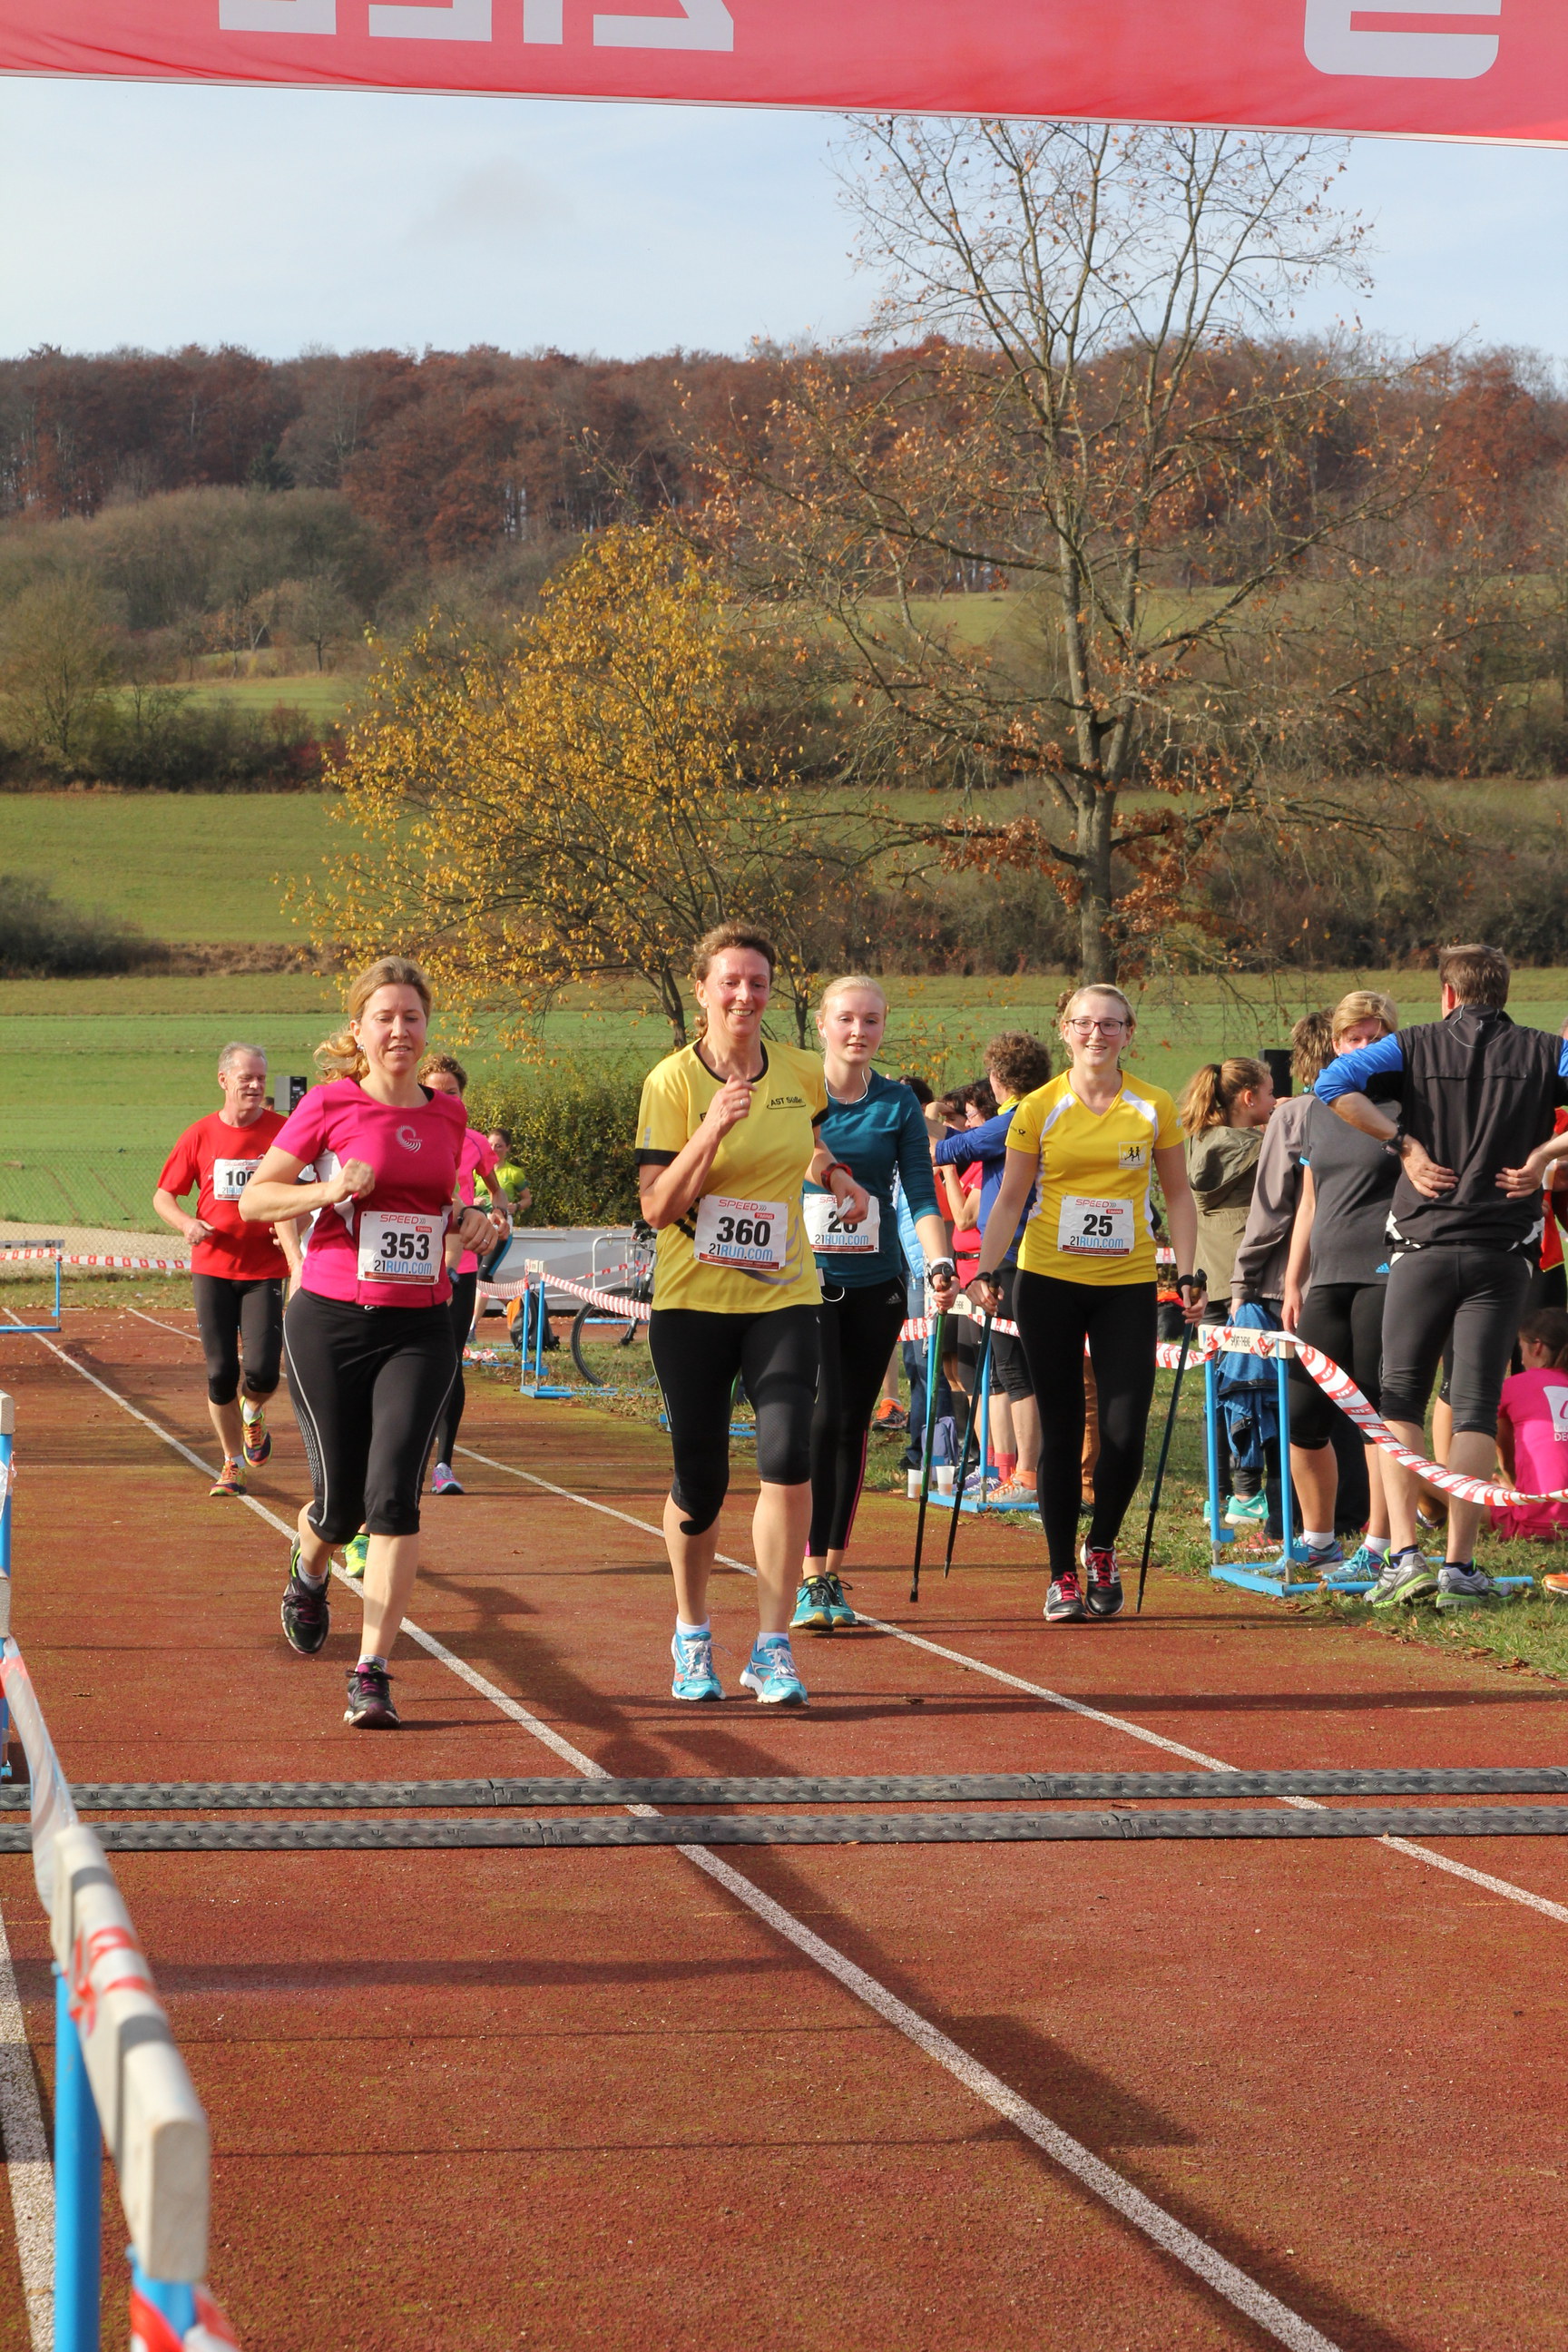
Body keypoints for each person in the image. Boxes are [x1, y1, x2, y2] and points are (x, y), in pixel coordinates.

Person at [238, 957, 501, 1728]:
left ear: (426, 1028)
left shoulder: (449, 1116)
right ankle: (310, 1565)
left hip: (420, 1323)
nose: (399, 1030)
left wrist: (472, 1223)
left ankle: (372, 1671)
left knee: (394, 1497)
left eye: (411, 1017)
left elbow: (445, 1207)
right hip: (330, 1320)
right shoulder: (329, 1104)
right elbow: (257, 1198)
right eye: (384, 1017)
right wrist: (328, 1189)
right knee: (340, 1507)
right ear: (359, 1030)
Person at [635, 925, 870, 1706]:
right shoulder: (671, 1082)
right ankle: (691, 1632)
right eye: (730, 982)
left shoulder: (800, 1071)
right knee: (701, 1481)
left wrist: (834, 1175)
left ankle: (773, 1647)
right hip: (693, 1302)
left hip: (783, 1296)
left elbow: (807, 1142)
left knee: (787, 1456)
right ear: (702, 989)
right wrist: (713, 1126)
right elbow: (657, 1206)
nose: (745, 995)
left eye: (758, 982)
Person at [1318, 942, 1568, 1609]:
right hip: (1502, 1249)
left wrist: (1402, 1144)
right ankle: (1461, 1566)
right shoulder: (1547, 1050)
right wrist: (1544, 1154)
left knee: (1399, 1399)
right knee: (1476, 1405)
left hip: (1422, 1241)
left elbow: (1331, 1084)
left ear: (1448, 994)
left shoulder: (1413, 1045)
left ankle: (1405, 1556)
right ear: (1505, 993)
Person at [975, 983, 1207, 1622]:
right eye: (1083, 1023)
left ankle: (1101, 1544)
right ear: (1065, 1031)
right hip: (1048, 1280)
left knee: (1124, 1433)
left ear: (1129, 1032)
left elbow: (1178, 1195)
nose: (1096, 1034)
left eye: (1109, 1024)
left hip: (1125, 1284)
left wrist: (1189, 1272)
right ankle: (1060, 1574)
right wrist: (986, 1268)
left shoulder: (1153, 1105)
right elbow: (1011, 1195)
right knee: (1060, 1428)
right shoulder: (1039, 1107)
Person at [795, 979, 957, 1630]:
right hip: (803, 1283)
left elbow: (920, 1191)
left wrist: (940, 1262)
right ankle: (809, 1571)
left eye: (870, 1020)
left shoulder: (896, 1104)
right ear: (822, 1025)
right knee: (823, 1414)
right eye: (845, 1019)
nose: (858, 1031)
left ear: (883, 1026)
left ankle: (829, 1571)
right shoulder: (795, 1090)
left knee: (852, 1422)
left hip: (877, 1283)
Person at [1280, 991, 1401, 1579]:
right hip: (1325, 1275)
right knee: (1303, 1413)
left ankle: (1379, 1547)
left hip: (1386, 1270)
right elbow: (1309, 1202)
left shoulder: (1409, 1106)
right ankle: (1319, 1539)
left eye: (1375, 1037)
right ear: (1336, 1044)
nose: (1364, 1046)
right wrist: (1292, 1281)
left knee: (1378, 1415)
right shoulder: (1317, 1108)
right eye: (1354, 1037)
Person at [153, 1043, 303, 1499]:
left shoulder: (283, 1132)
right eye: (246, 1078)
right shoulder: (200, 1134)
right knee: (220, 1373)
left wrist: (295, 1229)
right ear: (224, 1081)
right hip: (214, 1268)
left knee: (262, 1373)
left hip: (265, 1270)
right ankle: (232, 1462)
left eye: (261, 1078)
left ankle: (252, 1412)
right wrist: (186, 1223)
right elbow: (163, 1196)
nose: (255, 1086)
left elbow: (309, 1190)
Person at [1229, 1010, 1358, 1534]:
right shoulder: (1381, 1109)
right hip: (1365, 1275)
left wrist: (1243, 1279)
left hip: (1296, 1285)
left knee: (1298, 1405)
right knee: (1354, 1399)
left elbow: (1272, 1208)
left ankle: (1290, 1522)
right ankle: (1353, 1516)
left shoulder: (1297, 1114)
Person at [932, 1032, 1056, 1506]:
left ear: (998, 1077)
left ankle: (1028, 1475)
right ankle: (1010, 1471)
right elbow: (962, 1142)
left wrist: (915, 1119)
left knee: (1016, 1368)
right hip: (1008, 1250)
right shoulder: (1021, 1115)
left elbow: (954, 1149)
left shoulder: (1019, 1116)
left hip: (1015, 1251)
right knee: (1004, 1370)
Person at [417, 1053, 513, 1495]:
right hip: (413, 1263)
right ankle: (406, 1456)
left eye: (452, 1092)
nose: (444, 1099)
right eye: (434, 1091)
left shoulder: (474, 1142)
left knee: (450, 1363)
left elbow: (497, 1193)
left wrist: (498, 1214)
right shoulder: (404, 1132)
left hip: (462, 1266)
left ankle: (443, 1464)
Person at [1179, 1057, 1275, 1311]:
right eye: (1270, 1093)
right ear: (1249, 1098)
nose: (1275, 1101)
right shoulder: (1262, 1149)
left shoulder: (1198, 1140)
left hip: (1207, 1277)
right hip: (1248, 1276)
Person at [1493, 1309, 1568, 1545]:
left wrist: (1512, 1490)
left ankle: (1430, 1517)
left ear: (1537, 1347)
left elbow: (1507, 1461)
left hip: (1535, 1525)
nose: (1521, 1359)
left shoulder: (1514, 1385)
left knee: (1430, 1475)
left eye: (1521, 1348)